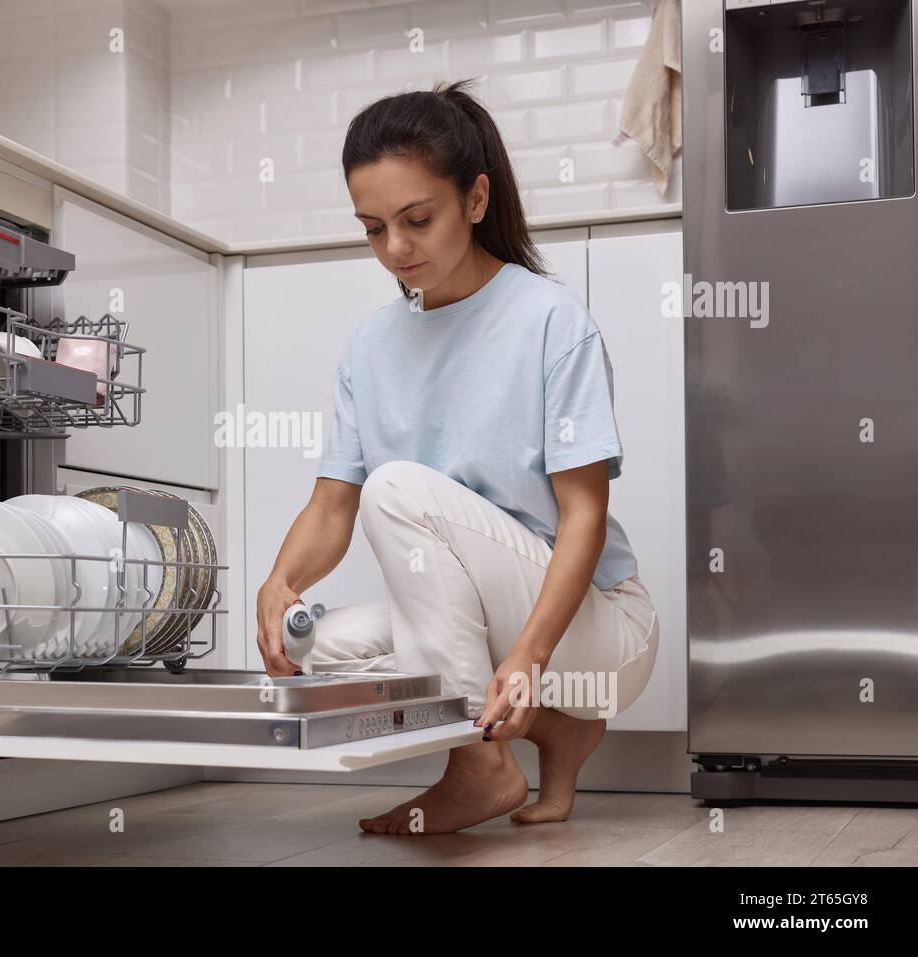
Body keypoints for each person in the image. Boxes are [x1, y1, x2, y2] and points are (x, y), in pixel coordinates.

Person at [255, 79, 660, 835]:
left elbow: (584, 517)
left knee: (401, 486)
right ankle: (554, 732)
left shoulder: (549, 320)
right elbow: (330, 503)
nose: (396, 249)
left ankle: (478, 765)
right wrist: (281, 582)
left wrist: (532, 656)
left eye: (417, 219)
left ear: (475, 200)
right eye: (373, 228)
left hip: (596, 632)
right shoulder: (371, 346)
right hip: (493, 629)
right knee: (305, 650)